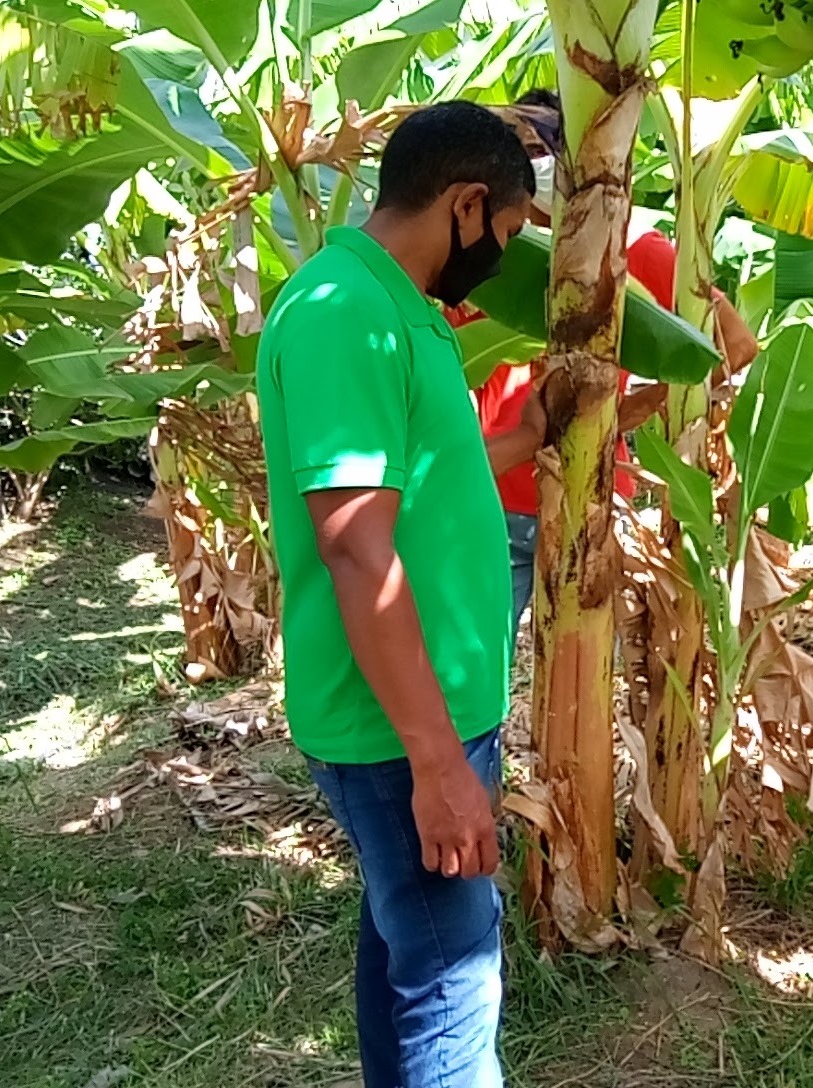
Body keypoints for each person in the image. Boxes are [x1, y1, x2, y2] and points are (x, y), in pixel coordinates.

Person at [254, 101, 534, 1088]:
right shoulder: (346, 315)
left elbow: (418, 485)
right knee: (452, 984)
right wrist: (438, 763)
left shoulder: (397, 306)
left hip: (429, 712)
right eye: (506, 231)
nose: (502, 258)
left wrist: (530, 435)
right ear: (466, 204)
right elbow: (356, 547)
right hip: (397, 727)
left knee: (406, 947)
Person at [472, 89, 759, 632]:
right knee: (479, 659)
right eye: (523, 151)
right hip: (495, 493)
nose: (535, 164)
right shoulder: (486, 248)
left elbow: (735, 343)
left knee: (606, 658)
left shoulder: (630, 245)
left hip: (593, 490)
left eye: (544, 149)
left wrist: (639, 406)